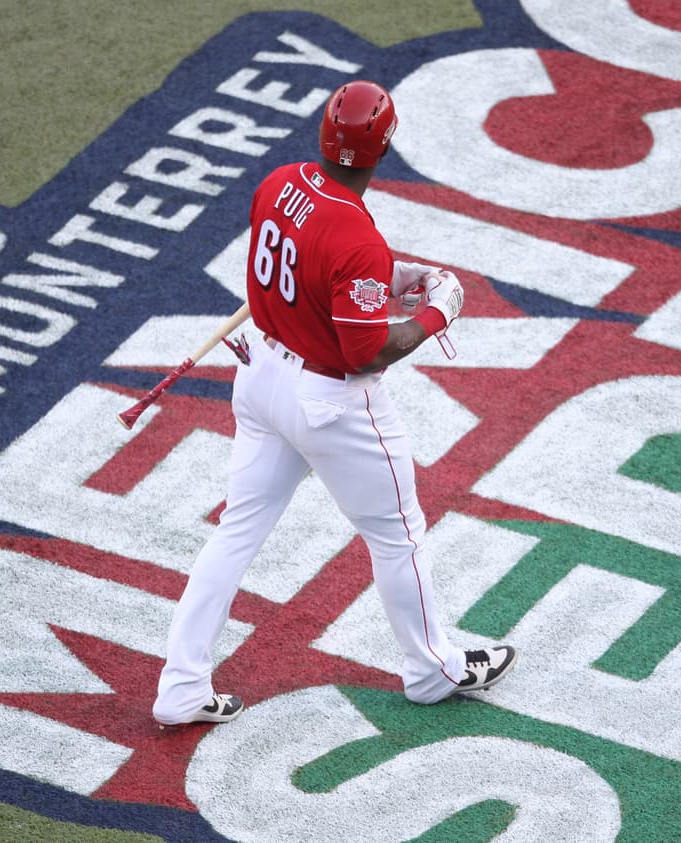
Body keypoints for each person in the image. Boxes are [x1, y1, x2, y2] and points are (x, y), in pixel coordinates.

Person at [151, 80, 519, 725]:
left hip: (261, 376)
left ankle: (181, 687)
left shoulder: (279, 182)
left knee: (236, 531)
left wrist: (384, 279)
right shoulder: (356, 240)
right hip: (330, 402)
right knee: (399, 535)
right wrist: (437, 311)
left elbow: (309, 270)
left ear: (324, 132)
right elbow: (366, 352)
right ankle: (432, 671)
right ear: (385, 148)